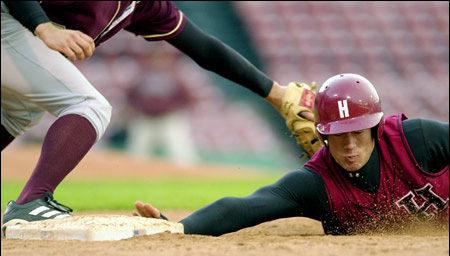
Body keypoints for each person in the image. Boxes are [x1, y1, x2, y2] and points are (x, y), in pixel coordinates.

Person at [1, 1, 312, 226]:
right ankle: (30, 203)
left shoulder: (145, 6)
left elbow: (204, 48)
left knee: (20, 110)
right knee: (88, 104)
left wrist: (276, 93)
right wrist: (43, 26)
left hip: (14, 36)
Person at [133, 73, 449, 236]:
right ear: (321, 135)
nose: (349, 145)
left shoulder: (417, 139)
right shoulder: (318, 184)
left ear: (376, 128)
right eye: (338, 135)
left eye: (357, 132)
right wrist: (179, 227)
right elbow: (246, 208)